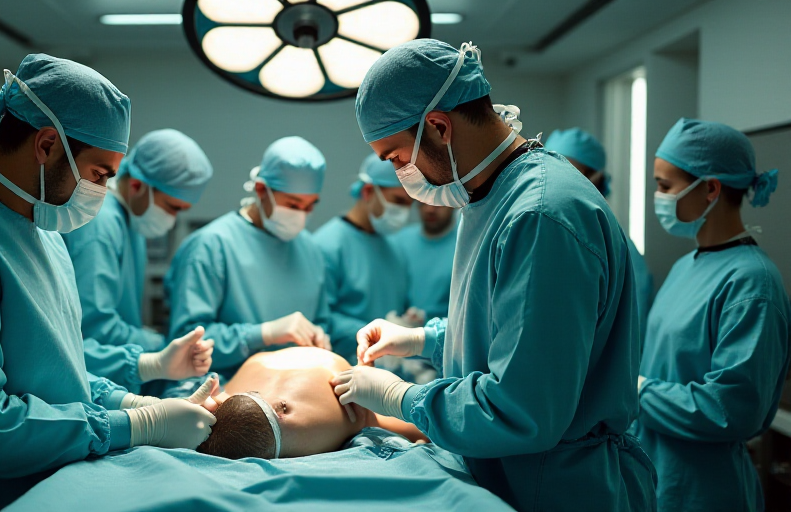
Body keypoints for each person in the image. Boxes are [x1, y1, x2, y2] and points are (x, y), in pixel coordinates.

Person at [0, 54, 218, 512]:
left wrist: (125, 400)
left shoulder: (44, 232)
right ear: (48, 144)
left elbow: (53, 373)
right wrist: (130, 427)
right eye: (98, 174)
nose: (102, 192)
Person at [332, 40, 655, 512]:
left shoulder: (541, 215)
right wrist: (425, 339)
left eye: (396, 157)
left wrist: (402, 397)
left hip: (557, 487)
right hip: (512, 477)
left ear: (439, 127)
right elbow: (520, 337)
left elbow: (522, 408)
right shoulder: (489, 195)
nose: (401, 174)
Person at [633, 118, 790, 512]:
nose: (658, 197)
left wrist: (637, 391)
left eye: (665, 186)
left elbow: (731, 410)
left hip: (704, 491)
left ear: (710, 189)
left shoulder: (753, 283)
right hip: (656, 477)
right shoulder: (687, 266)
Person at [166, 136, 332, 383]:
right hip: (226, 394)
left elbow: (320, 319)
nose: (302, 215)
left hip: (295, 391)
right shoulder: (212, 245)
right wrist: (262, 334)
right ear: (261, 190)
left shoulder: (310, 249)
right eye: (293, 204)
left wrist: (319, 337)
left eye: (310, 206)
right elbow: (187, 342)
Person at [62, 129, 213, 390]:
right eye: (172, 207)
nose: (173, 219)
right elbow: (94, 329)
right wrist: (164, 344)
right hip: (91, 377)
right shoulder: (100, 223)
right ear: (136, 186)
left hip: (116, 372)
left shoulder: (132, 221)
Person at [197, 347, 426, 459]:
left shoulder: (318, 422)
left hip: (341, 382)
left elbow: (418, 426)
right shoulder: (221, 401)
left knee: (423, 426)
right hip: (268, 360)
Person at [545, 127, 654, 330]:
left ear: (595, 178)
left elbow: (631, 333)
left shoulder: (619, 249)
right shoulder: (542, 235)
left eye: (566, 172)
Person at [312, 154, 412, 361]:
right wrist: (372, 333)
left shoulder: (394, 247)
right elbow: (320, 319)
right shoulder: (327, 245)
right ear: (368, 191)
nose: (405, 211)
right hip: (345, 367)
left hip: (389, 371)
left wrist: (407, 324)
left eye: (410, 203)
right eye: (399, 201)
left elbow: (395, 304)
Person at [391, 202, 457, 322]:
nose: (429, 209)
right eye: (423, 202)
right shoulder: (400, 241)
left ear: (454, 202)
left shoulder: (466, 246)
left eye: (438, 202)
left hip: (448, 336)